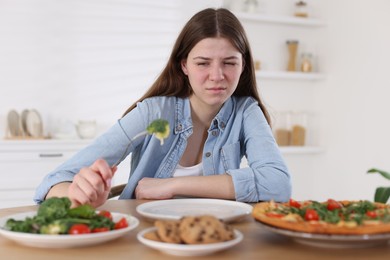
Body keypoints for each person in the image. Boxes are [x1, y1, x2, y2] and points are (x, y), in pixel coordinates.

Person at [34, 8, 291, 208]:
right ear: (184, 66)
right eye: (203, 63)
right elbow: (53, 183)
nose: (217, 75)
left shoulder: (246, 111)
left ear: (243, 65)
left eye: (229, 63)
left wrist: (170, 185)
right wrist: (77, 194)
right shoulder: (152, 113)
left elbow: (278, 184)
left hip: (215, 238)